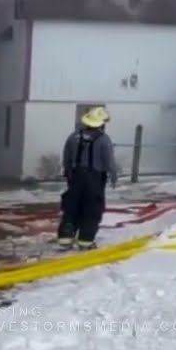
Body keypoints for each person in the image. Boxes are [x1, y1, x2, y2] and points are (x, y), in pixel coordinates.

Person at [56, 107, 118, 250]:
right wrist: (113, 176)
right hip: (94, 179)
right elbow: (109, 161)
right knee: (92, 209)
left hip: (75, 177)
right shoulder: (103, 139)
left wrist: (68, 173)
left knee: (72, 207)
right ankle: (86, 241)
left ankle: (65, 239)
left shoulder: (73, 136)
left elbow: (66, 157)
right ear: (100, 124)